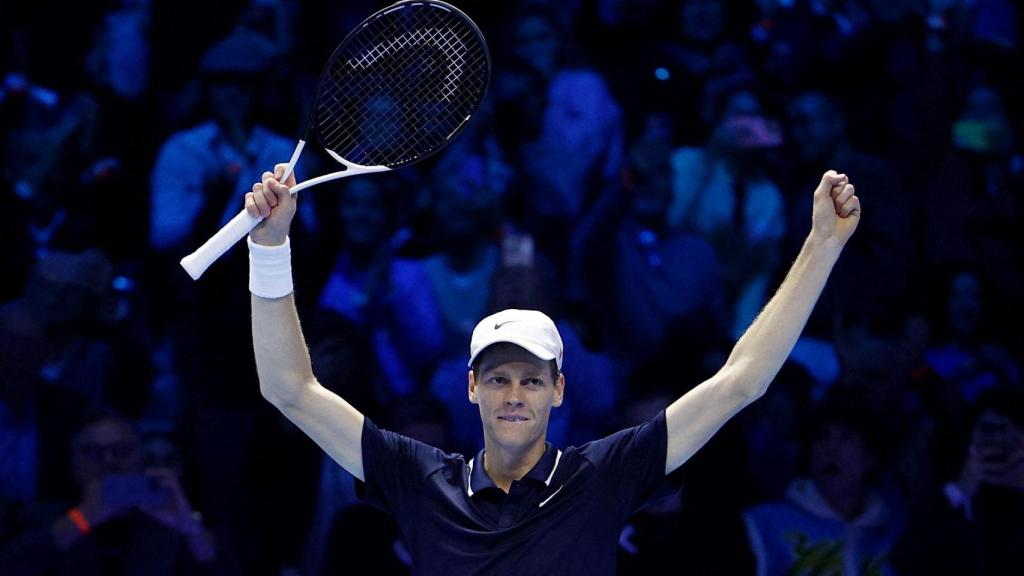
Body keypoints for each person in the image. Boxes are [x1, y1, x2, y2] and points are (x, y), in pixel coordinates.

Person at [240, 162, 860, 574]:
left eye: (532, 379)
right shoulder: (416, 476)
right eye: (500, 378)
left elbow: (742, 380)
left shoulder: (605, 475)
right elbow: (289, 389)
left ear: (559, 391)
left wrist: (821, 246)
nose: (515, 394)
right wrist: (271, 250)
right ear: (471, 388)